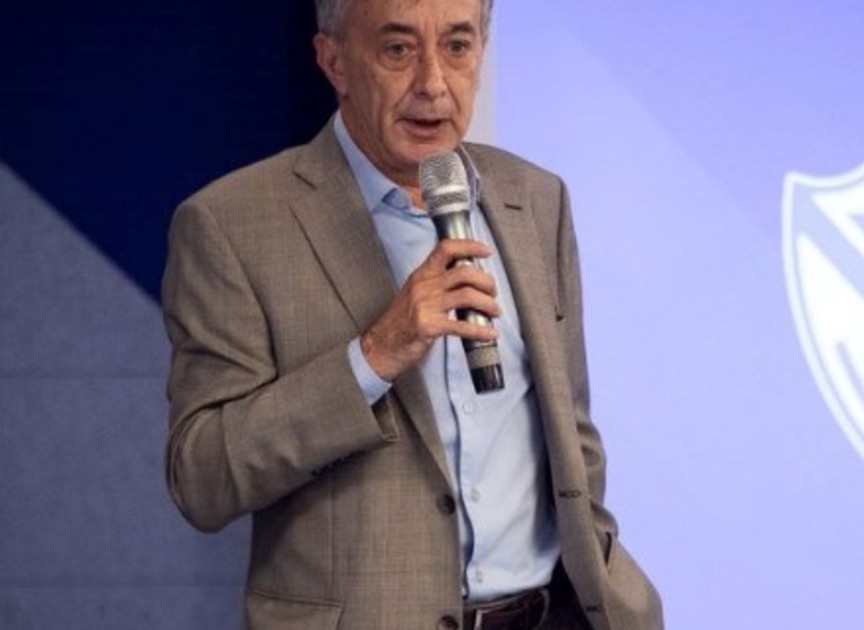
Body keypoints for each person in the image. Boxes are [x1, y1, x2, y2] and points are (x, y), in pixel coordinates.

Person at [161, 0, 663, 628]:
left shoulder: (535, 199)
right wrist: (372, 357)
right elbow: (201, 477)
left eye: (457, 46)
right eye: (398, 49)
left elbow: (572, 432)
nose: (433, 83)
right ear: (333, 60)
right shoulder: (233, 223)